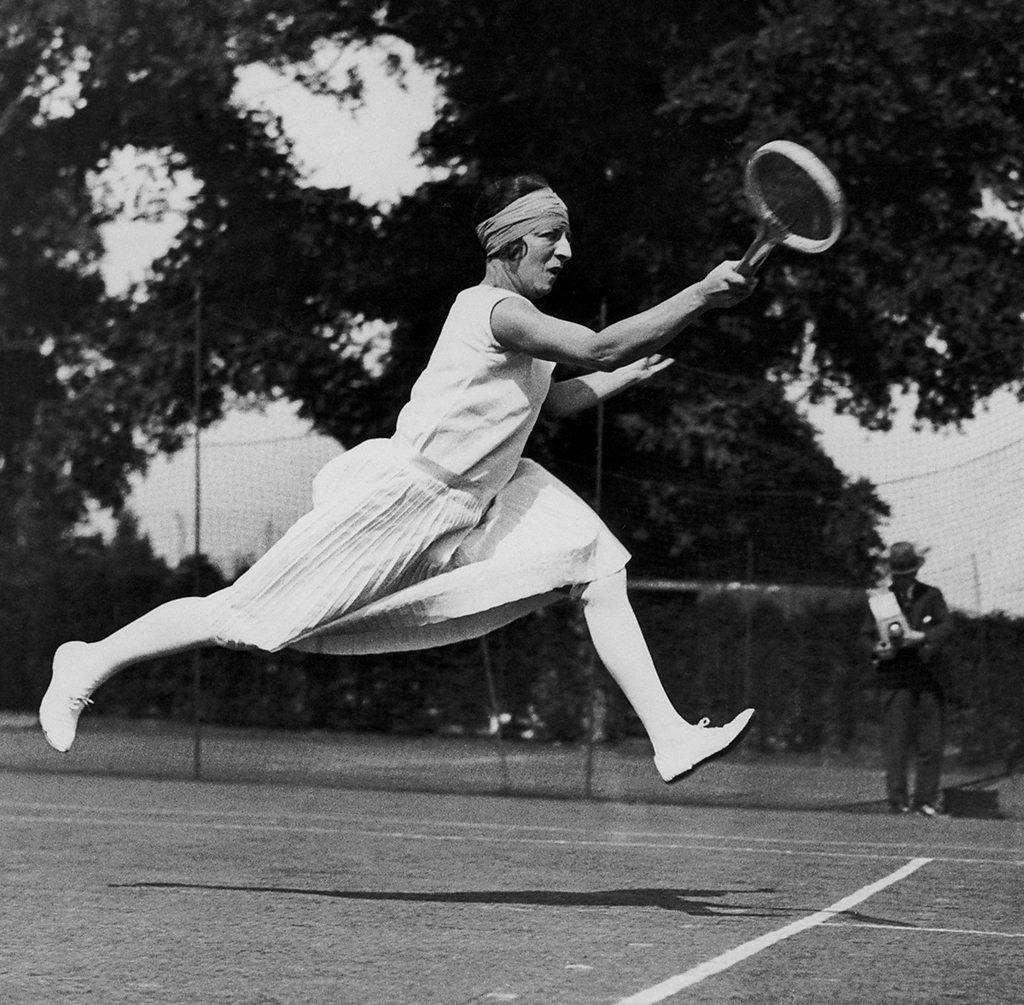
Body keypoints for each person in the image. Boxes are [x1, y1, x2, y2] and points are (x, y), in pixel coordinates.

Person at [40, 173, 756, 782]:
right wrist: (697, 295)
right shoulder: (496, 311)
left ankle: (669, 735)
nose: (566, 250)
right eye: (551, 236)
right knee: (243, 619)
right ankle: (88, 658)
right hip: (406, 499)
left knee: (600, 565)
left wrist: (624, 376)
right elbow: (596, 346)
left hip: (481, 500)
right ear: (509, 242)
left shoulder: (527, 329)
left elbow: (560, 399)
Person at [861, 541, 953, 816]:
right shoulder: (880, 600)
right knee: (896, 744)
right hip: (895, 677)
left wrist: (922, 637)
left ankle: (924, 801)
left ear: (915, 570)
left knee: (931, 744)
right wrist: (878, 649)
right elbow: (865, 637)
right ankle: (898, 802)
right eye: (899, 573)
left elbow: (947, 625)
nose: (903, 577)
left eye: (908, 572)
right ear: (893, 573)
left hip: (927, 678)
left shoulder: (932, 595)